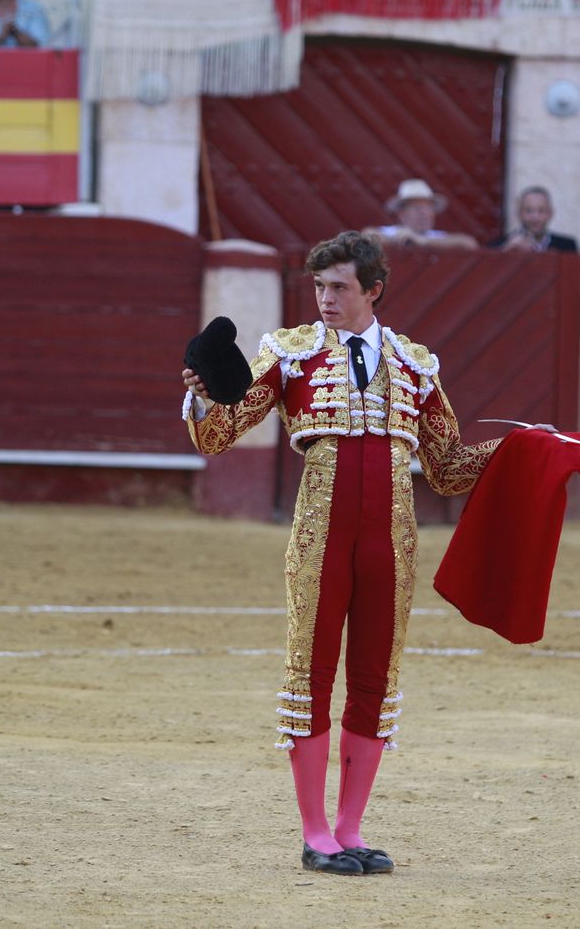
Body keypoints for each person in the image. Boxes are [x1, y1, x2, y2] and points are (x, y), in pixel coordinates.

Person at [181, 231, 510, 877]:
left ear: (372, 290)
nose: (325, 299)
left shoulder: (416, 365)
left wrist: (522, 452)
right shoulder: (290, 355)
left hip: (391, 545)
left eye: (338, 288)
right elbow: (219, 434)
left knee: (373, 683)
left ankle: (351, 827)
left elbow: (446, 469)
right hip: (320, 539)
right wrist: (200, 392)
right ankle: (315, 832)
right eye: (319, 287)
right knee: (310, 677)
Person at [364, 178, 477, 249]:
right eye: (417, 208)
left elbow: (469, 243)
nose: (424, 214)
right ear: (401, 213)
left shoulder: (436, 236)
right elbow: (367, 236)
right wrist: (400, 240)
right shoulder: (392, 232)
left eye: (428, 208)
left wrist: (423, 241)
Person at [493, 186, 579, 252]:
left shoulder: (567, 246)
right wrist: (507, 250)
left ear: (550, 214)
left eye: (541, 211)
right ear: (519, 213)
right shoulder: (499, 246)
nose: (535, 217)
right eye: (528, 211)